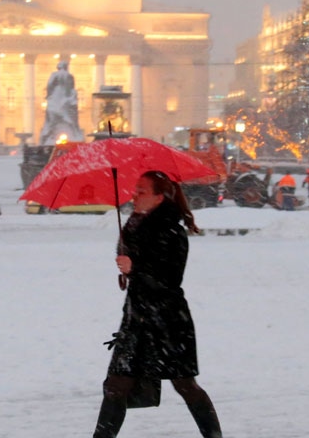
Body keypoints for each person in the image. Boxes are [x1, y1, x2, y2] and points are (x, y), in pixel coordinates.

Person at [93, 170, 222, 438]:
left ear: (159, 198)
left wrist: (135, 268)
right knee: (116, 385)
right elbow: (136, 266)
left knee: (185, 385)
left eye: (142, 191)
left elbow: (169, 280)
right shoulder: (134, 225)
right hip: (136, 319)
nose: (134, 195)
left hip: (168, 321)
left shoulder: (172, 232)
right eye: (135, 189)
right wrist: (126, 258)